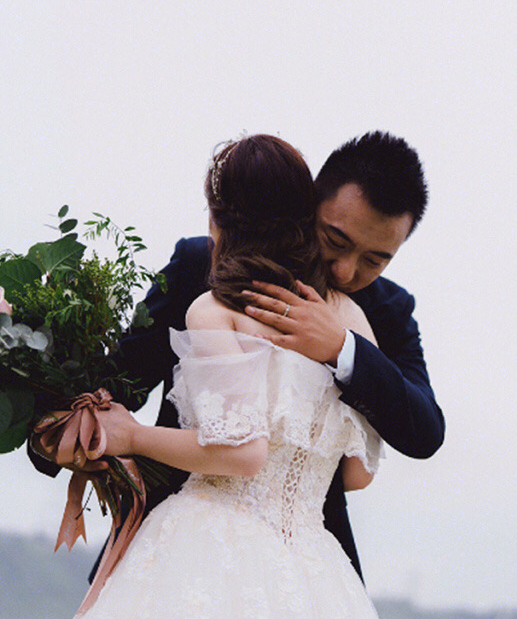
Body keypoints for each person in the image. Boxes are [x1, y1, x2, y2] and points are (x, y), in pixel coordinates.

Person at [67, 135, 383, 617]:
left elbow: (242, 452)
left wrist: (131, 436)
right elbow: (357, 474)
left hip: (207, 546)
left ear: (218, 218)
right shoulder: (353, 326)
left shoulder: (216, 310)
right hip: (314, 569)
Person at [108, 130, 443, 578]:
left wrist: (342, 349)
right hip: (175, 551)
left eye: (375, 260)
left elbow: (425, 431)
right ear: (311, 204)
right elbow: (120, 380)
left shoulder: (386, 310)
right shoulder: (202, 263)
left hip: (306, 566)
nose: (346, 270)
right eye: (337, 241)